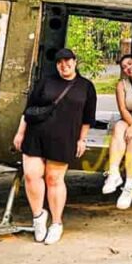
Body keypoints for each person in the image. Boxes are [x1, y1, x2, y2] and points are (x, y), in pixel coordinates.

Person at [12, 48, 96, 245]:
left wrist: (82, 139)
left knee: (54, 179)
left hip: (64, 137)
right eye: (60, 62)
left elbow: (87, 118)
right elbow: (29, 109)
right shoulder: (46, 81)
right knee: (32, 175)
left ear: (75, 62)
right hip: (36, 134)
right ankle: (38, 216)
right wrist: (20, 132)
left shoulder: (86, 86)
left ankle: (56, 223)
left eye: (68, 61)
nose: (64, 65)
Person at [102, 54, 132, 209]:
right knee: (118, 127)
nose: (128, 68)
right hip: (129, 119)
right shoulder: (122, 85)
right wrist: (131, 125)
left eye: (130, 63)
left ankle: (129, 186)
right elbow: (123, 108)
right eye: (124, 67)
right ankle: (114, 174)